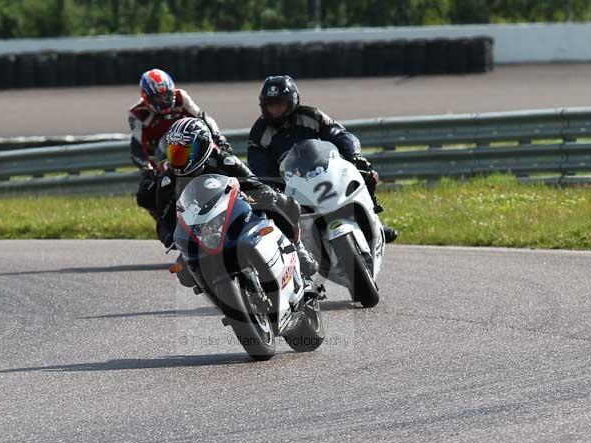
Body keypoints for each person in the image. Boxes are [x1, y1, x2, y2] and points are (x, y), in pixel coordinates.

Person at [157, 117, 318, 287]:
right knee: (184, 275)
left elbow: (254, 183)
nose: (177, 156)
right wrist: (171, 237)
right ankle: (226, 302)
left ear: (203, 146)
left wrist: (266, 194)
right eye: (174, 151)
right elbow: (163, 221)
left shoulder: (223, 161)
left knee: (284, 203)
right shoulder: (167, 180)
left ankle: (298, 248)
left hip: (235, 216)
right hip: (200, 234)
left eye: (184, 151)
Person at [247, 75, 398, 243]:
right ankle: (297, 249)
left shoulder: (311, 116)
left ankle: (373, 222)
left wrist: (355, 156)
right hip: (289, 185)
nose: (274, 110)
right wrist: (271, 187)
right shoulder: (259, 133)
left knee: (366, 173)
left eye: (279, 104)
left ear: (292, 101)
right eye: (270, 105)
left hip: (323, 171)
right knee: (271, 209)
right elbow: (258, 164)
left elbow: (340, 135)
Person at [129, 68, 230, 217]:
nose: (164, 100)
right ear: (146, 97)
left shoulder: (181, 97)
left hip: (193, 148)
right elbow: (136, 146)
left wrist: (219, 138)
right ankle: (163, 221)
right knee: (145, 194)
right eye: (158, 97)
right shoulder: (137, 114)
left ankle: (239, 199)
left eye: (166, 95)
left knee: (226, 162)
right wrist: (146, 168)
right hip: (162, 157)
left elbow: (203, 117)